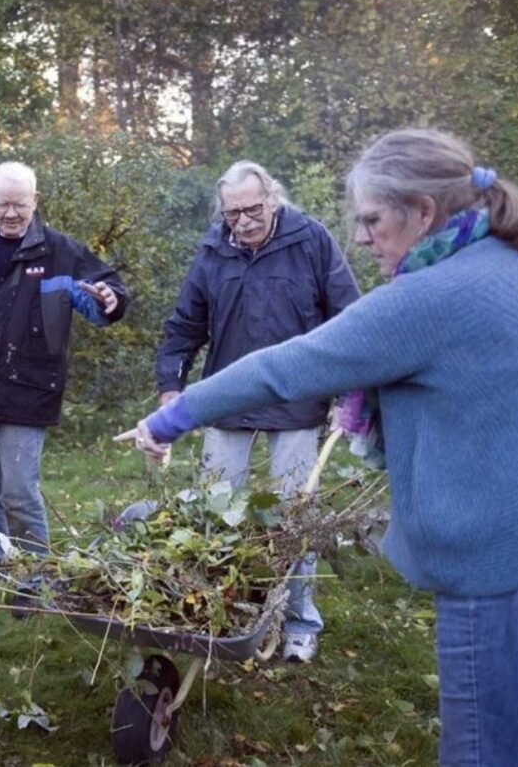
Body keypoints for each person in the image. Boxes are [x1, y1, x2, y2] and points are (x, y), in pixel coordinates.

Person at [118, 128, 518, 766]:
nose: (362, 238)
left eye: (371, 219)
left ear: (422, 210)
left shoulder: (425, 298)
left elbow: (282, 369)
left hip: (510, 568)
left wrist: (170, 419)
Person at [155, 160, 359, 662]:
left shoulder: (311, 241)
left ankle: (299, 623)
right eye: (232, 214)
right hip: (228, 403)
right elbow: (185, 325)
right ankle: (219, 610)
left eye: (251, 209)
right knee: (214, 516)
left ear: (272, 197)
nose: (242, 222)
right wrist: (170, 389)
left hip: (298, 402)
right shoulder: (213, 251)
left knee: (295, 519)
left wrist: (348, 395)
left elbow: (349, 318)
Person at [0, 161, 128, 592]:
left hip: (28, 392)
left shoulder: (62, 252)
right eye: (2, 203)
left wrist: (110, 300)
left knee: (20, 493)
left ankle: (34, 578)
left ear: (35, 201)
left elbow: (104, 300)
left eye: (19, 204)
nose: (10, 213)